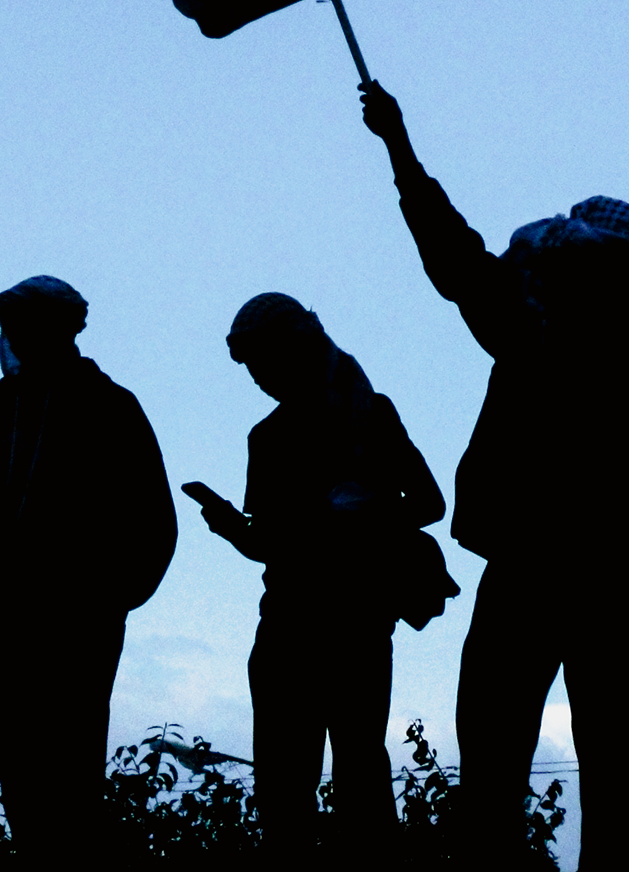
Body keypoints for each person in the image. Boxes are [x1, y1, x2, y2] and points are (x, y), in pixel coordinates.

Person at [359, 82, 629, 869]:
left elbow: (452, 257)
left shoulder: (533, 329)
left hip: (531, 584)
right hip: (610, 593)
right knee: (606, 797)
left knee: (495, 791)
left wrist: (399, 147)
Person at [187, 293, 450, 862]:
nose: (257, 378)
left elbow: (430, 503)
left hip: (351, 625)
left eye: (263, 362)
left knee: (354, 781)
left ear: (294, 351)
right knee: (289, 792)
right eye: (250, 367)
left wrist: (358, 509)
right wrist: (228, 523)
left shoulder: (369, 414)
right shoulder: (269, 437)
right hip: (291, 627)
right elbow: (270, 545)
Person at [0, 276, 177, 858]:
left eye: (26, 323)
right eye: (12, 324)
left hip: (78, 621)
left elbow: (154, 521)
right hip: (14, 617)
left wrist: (108, 596)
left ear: (61, 329)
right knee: (14, 746)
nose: (16, 336)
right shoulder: (2, 408)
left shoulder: (107, 405)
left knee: (68, 758)